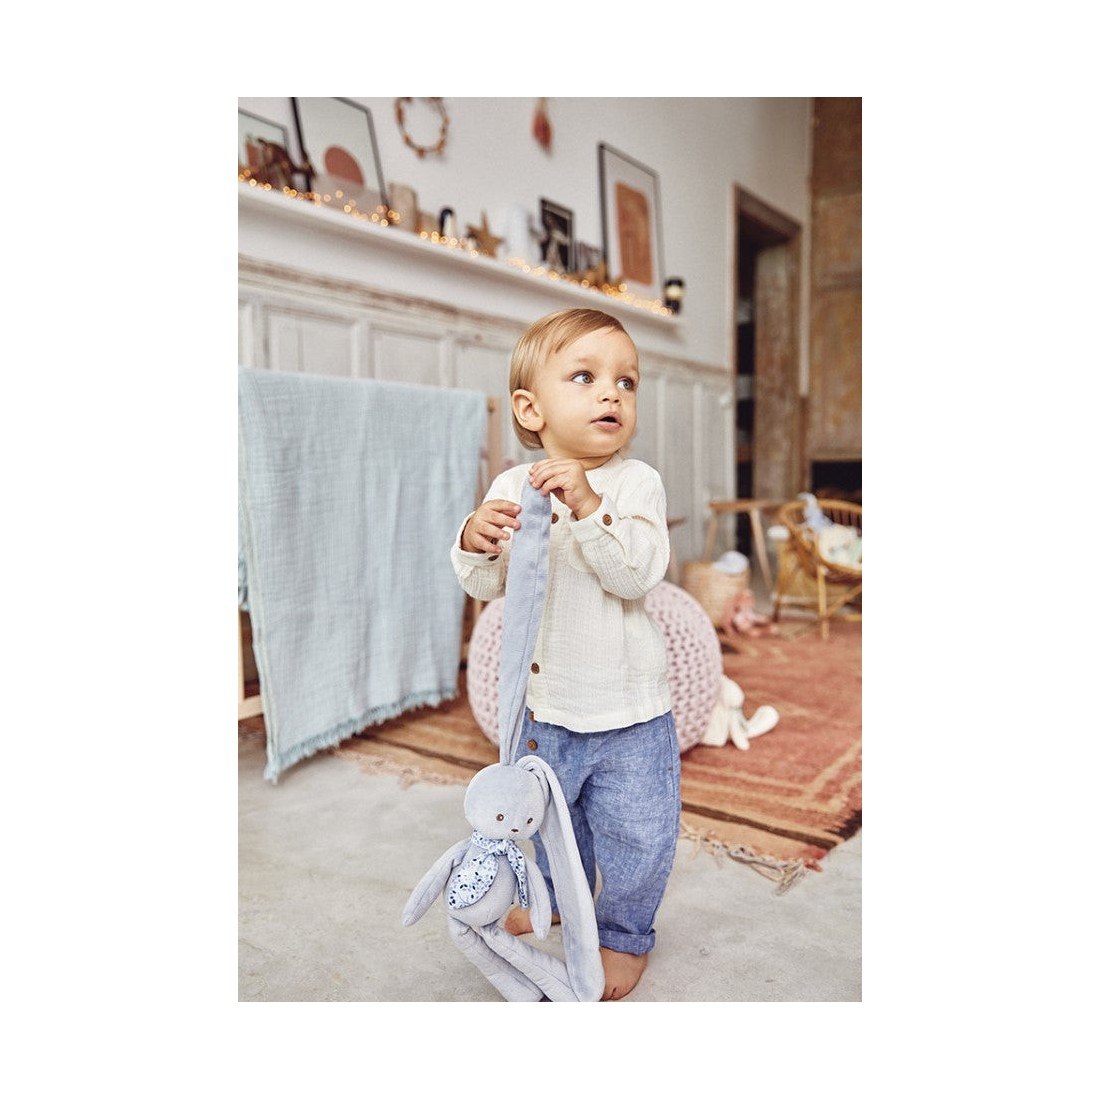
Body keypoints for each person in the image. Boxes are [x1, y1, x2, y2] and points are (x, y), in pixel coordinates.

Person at [449, 307, 680, 1001]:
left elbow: (636, 574)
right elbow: (487, 585)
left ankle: (624, 935)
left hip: (630, 714)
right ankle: (548, 898)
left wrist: (587, 505)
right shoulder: (510, 489)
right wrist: (474, 540)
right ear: (531, 409)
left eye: (626, 382)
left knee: (637, 837)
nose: (612, 392)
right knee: (552, 826)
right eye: (585, 377)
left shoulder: (635, 484)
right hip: (544, 711)